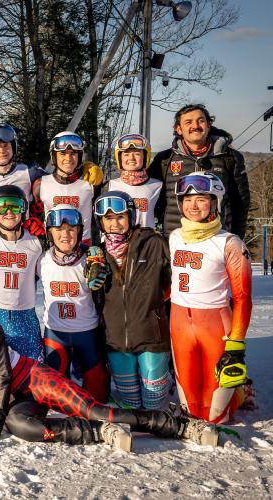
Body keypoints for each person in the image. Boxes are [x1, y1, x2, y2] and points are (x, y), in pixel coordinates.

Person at [0, 270, 220, 450]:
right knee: (21, 427)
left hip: (33, 379)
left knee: (98, 411)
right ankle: (97, 434)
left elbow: (4, 375)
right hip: (13, 399)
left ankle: (178, 426)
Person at [169, 172, 253, 423]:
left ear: (215, 202)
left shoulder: (229, 243)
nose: (193, 205)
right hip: (180, 325)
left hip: (215, 327)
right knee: (191, 413)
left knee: (216, 417)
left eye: (202, 199)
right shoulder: (174, 237)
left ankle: (240, 391)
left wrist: (236, 343)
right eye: (187, 199)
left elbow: (243, 298)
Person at [94, 191, 172, 410]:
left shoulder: (153, 243)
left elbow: (174, 282)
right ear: (100, 222)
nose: (115, 224)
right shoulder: (98, 254)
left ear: (131, 217)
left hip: (152, 337)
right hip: (116, 340)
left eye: (120, 217)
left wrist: (155, 307)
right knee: (131, 404)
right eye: (108, 218)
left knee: (153, 403)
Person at [39, 205, 108, 402]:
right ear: (49, 232)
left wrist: (100, 259)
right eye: (59, 229)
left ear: (79, 231)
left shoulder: (91, 258)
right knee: (57, 396)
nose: (65, 234)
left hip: (87, 331)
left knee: (98, 395)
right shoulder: (42, 260)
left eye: (71, 229)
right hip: (55, 332)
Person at [148, 104, 249, 238]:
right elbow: (152, 199)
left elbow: (241, 202)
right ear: (178, 129)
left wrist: (236, 238)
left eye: (200, 120)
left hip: (218, 238)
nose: (195, 126)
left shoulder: (230, 158)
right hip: (175, 240)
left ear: (208, 125)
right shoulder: (164, 160)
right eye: (188, 122)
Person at [0, 185, 44, 360]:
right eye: (2, 206)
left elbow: (67, 244)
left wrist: (94, 253)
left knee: (34, 378)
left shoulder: (37, 238)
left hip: (25, 318)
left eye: (15, 206)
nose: (9, 212)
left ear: (23, 209)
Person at [0, 123, 45, 227]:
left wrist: (37, 216)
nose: (1, 151)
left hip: (21, 235)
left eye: (6, 145)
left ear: (13, 146)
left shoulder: (29, 172)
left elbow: (58, 182)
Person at [33, 132, 99, 245]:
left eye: (73, 153)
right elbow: (35, 219)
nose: (68, 158)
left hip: (83, 247)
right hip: (54, 247)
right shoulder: (41, 184)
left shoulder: (91, 182)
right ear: (54, 156)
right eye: (62, 153)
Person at [101, 134, 162, 229]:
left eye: (137, 154)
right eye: (126, 154)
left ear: (145, 157)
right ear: (120, 158)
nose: (131, 158)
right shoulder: (109, 186)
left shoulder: (157, 186)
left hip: (146, 241)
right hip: (117, 241)